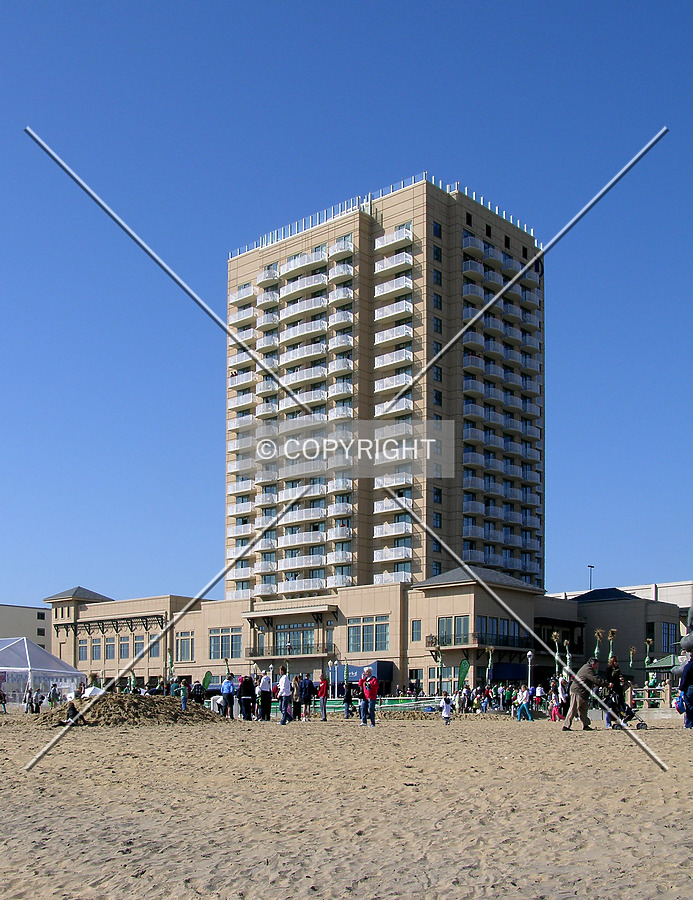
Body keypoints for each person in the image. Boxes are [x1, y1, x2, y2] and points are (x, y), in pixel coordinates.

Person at [563, 658, 607, 731]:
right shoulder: (588, 669)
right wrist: (607, 684)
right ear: (593, 664)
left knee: (583, 709)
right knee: (573, 709)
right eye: (596, 665)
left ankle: (586, 725)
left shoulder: (586, 668)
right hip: (577, 691)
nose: (597, 667)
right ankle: (566, 726)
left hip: (582, 693)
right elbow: (595, 679)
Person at [605, 655, 624, 729]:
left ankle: (622, 721)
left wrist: (621, 679)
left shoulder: (618, 669)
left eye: (617, 661)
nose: (616, 663)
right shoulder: (608, 669)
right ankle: (608, 723)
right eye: (615, 661)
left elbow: (619, 677)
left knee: (620, 706)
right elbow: (608, 679)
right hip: (611, 690)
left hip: (618, 689)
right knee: (609, 707)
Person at [678, 653, 693, 729]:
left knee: (689, 706)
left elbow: (684, 677)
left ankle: (689, 724)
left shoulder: (689, 666)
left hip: (690, 688)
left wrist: (681, 688)